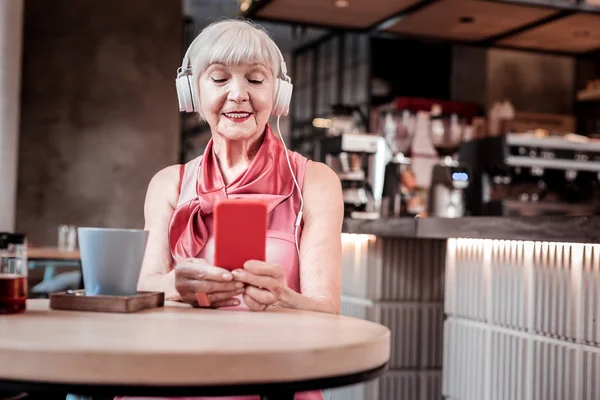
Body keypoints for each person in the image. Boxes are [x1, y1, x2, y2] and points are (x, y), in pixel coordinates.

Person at [127, 18, 344, 400]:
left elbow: (327, 312)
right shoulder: (169, 183)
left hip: (274, 380)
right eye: (219, 78)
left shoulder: (315, 181)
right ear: (191, 92)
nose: (238, 94)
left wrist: (282, 298)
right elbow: (144, 286)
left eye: (256, 80)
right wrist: (177, 287)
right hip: (175, 375)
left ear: (278, 95)